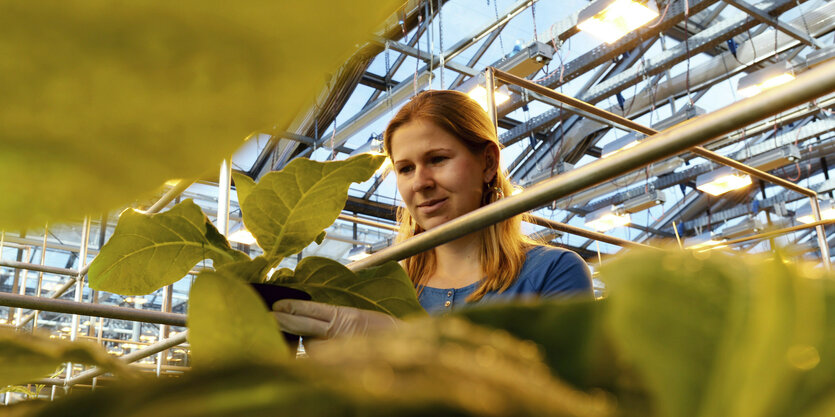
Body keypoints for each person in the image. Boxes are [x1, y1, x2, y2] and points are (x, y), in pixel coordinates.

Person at [273, 90, 593, 341]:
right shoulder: (387, 289)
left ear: (488, 163)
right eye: (406, 169)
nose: (421, 183)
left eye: (438, 159)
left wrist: (412, 344)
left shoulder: (552, 273)